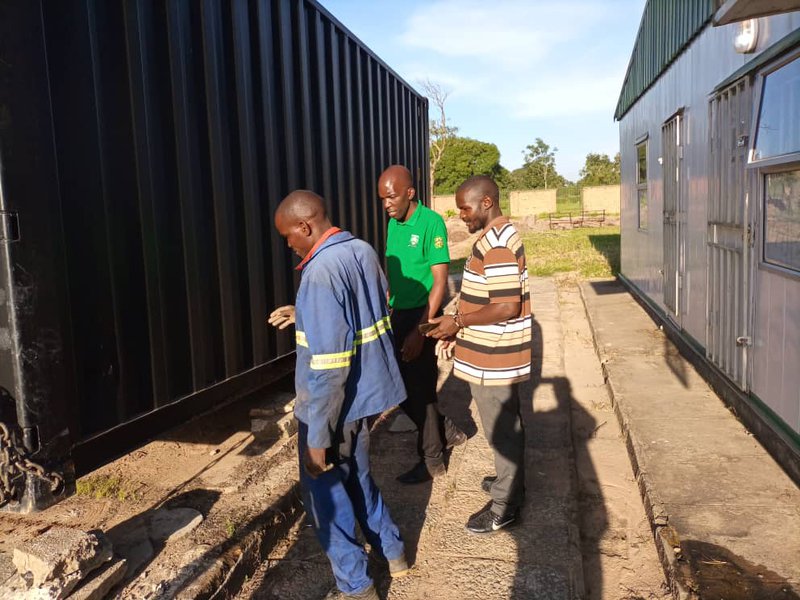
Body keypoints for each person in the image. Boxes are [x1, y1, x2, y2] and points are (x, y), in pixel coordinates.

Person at [270, 190, 408, 600]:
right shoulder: (360, 249)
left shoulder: (319, 273)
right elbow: (366, 308)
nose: (289, 245)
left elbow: (329, 367)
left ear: (305, 227)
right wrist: (307, 312)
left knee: (326, 496)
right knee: (358, 477)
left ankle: (356, 585)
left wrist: (316, 440)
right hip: (367, 395)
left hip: (335, 406)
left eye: (288, 236)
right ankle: (394, 552)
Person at [426, 175, 531, 534]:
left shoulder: (498, 244)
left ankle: (504, 506)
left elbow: (505, 306)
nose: (461, 217)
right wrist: (461, 330)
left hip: (496, 358)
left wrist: (456, 321)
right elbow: (485, 298)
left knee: (502, 430)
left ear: (486, 203)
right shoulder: (494, 238)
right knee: (503, 427)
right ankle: (511, 484)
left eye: (465, 208)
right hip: (488, 351)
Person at [377, 165, 466, 485]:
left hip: (423, 315)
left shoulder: (431, 223)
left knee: (421, 388)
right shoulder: (393, 223)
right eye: (383, 199)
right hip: (398, 313)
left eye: (391, 197)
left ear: (409, 193)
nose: (386, 204)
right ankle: (445, 429)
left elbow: (440, 282)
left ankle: (431, 460)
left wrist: (420, 329)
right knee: (393, 386)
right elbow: (396, 274)